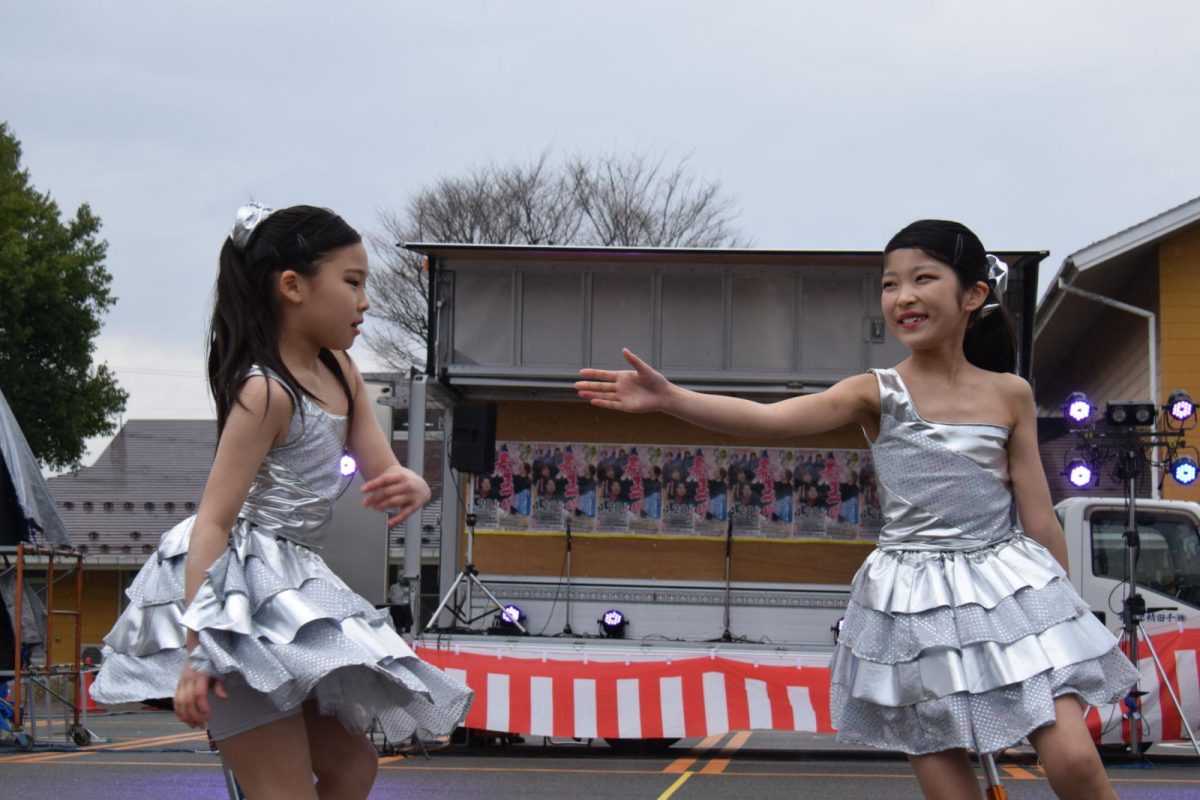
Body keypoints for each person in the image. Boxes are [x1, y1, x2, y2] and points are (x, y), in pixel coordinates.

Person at [575, 219, 1138, 800]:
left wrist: (1063, 614)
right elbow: (770, 420)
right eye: (890, 284)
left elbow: (1040, 517)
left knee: (1074, 762)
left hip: (1007, 584)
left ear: (973, 295)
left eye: (923, 278)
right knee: (950, 782)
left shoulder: (1009, 393)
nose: (903, 297)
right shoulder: (877, 390)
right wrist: (671, 398)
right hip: (912, 599)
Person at [91, 204, 472, 800]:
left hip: (292, 586)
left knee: (353, 770)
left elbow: (385, 467)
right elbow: (213, 524)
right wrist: (201, 651)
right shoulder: (265, 391)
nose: (365, 301)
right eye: (352, 282)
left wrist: (415, 484)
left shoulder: (342, 371)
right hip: (232, 592)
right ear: (292, 286)